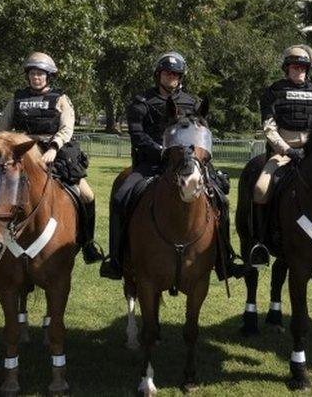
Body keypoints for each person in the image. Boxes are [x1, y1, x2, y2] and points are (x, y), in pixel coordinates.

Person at [102, 51, 247, 281]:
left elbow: (200, 134)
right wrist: (163, 152)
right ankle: (118, 260)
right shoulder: (141, 102)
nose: (172, 77)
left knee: (221, 197)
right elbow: (138, 136)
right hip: (151, 163)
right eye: (167, 73)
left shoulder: (192, 102)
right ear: (158, 74)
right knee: (121, 196)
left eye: (176, 74)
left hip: (188, 163)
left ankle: (224, 260)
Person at [0, 52, 103, 264]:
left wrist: (54, 147)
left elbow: (67, 128)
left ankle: (87, 244)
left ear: (49, 76)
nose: (36, 77)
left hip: (53, 152)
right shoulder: (17, 99)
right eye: (32, 73)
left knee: (87, 195)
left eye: (40, 74)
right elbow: (2, 128)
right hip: (21, 153)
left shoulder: (60, 99)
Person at [247, 45, 312, 266]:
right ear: (286, 68)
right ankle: (260, 243)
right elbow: (269, 128)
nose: (299, 70)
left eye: (303, 66)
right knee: (260, 188)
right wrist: (287, 150)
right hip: (283, 152)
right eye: (295, 66)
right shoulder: (273, 92)